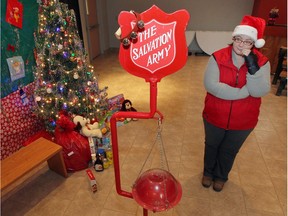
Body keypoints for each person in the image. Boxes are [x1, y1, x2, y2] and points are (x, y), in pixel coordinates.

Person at [201, 15, 271, 192]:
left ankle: (221, 176)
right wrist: (244, 92)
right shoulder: (217, 57)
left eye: (247, 42)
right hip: (214, 115)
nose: (241, 44)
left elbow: (260, 91)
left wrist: (252, 65)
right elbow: (212, 86)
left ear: (254, 44)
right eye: (238, 39)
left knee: (229, 151)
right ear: (233, 39)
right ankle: (208, 172)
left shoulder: (262, 62)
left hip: (243, 120)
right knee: (211, 145)